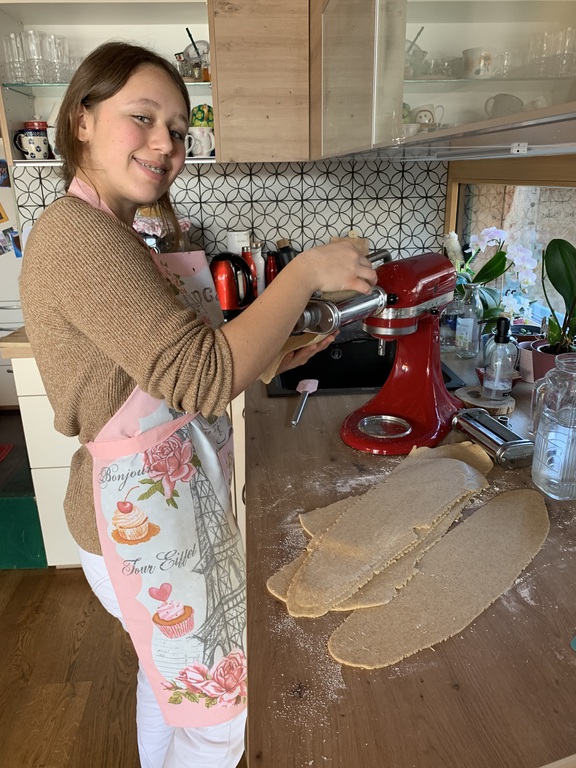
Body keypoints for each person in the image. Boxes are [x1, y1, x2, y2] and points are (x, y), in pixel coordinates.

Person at [19, 41, 376, 768]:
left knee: (169, 682)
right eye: (142, 118)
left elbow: (162, 378)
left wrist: (274, 353)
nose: (166, 144)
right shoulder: (76, 237)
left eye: (179, 130)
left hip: (162, 505)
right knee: (222, 712)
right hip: (138, 521)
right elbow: (203, 375)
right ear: (81, 120)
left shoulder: (120, 233)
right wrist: (304, 272)